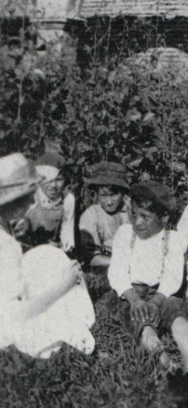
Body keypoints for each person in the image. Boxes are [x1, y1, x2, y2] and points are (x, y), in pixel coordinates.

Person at [0, 153, 95, 358]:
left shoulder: (5, 229)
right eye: (26, 198)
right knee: (59, 275)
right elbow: (16, 314)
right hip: (7, 326)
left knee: (47, 255)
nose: (31, 203)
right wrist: (65, 285)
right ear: (10, 202)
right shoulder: (5, 245)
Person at [108, 181, 188, 381]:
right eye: (134, 214)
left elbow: (172, 275)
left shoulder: (173, 239)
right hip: (132, 293)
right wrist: (134, 299)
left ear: (164, 218)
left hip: (162, 292)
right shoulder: (126, 234)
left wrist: (157, 301)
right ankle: (167, 363)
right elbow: (117, 271)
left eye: (145, 217)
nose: (138, 222)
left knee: (177, 314)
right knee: (142, 323)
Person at [21, 152, 75, 254]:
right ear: (39, 180)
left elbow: (67, 230)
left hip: (52, 251)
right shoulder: (31, 198)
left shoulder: (67, 199)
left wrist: (65, 249)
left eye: (58, 180)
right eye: (48, 180)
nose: (53, 186)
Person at [79, 161, 129, 267]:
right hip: (106, 262)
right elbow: (90, 257)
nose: (109, 202)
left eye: (114, 195)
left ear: (123, 193)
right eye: (104, 196)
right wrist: (121, 264)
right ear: (96, 194)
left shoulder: (132, 211)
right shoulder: (91, 215)